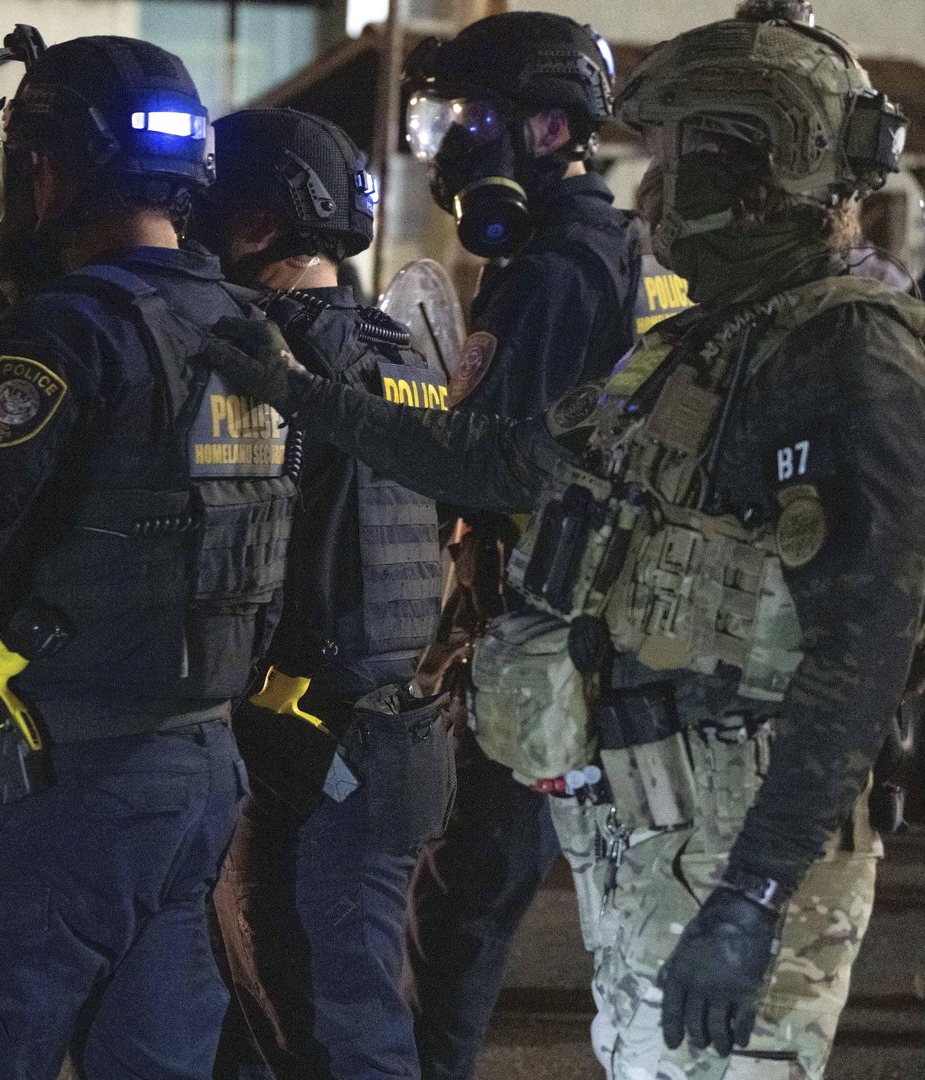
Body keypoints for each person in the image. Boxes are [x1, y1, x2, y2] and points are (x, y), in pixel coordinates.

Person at [200, 4, 924, 1076]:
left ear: (766, 164)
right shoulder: (699, 345)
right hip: (654, 840)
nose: (656, 190)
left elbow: (861, 652)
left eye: (681, 157)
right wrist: (301, 398)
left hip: (740, 857)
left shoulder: (850, 354)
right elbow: (508, 462)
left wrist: (758, 893)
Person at [0, 32, 287, 1078]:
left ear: (58, 166)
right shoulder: (246, 324)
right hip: (206, 773)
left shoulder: (59, 332)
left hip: (60, 781)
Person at [397, 15, 640, 1077]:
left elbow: (482, 464)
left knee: (458, 915)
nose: (448, 144)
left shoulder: (550, 271)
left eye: (468, 119)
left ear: (548, 128)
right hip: (604, 632)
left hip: (546, 638)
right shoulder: (621, 244)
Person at [197, 108, 451, 1080]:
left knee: (332, 1023)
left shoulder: (275, 362)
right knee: (301, 1012)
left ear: (259, 224)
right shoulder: (403, 351)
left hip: (310, 749)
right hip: (396, 739)